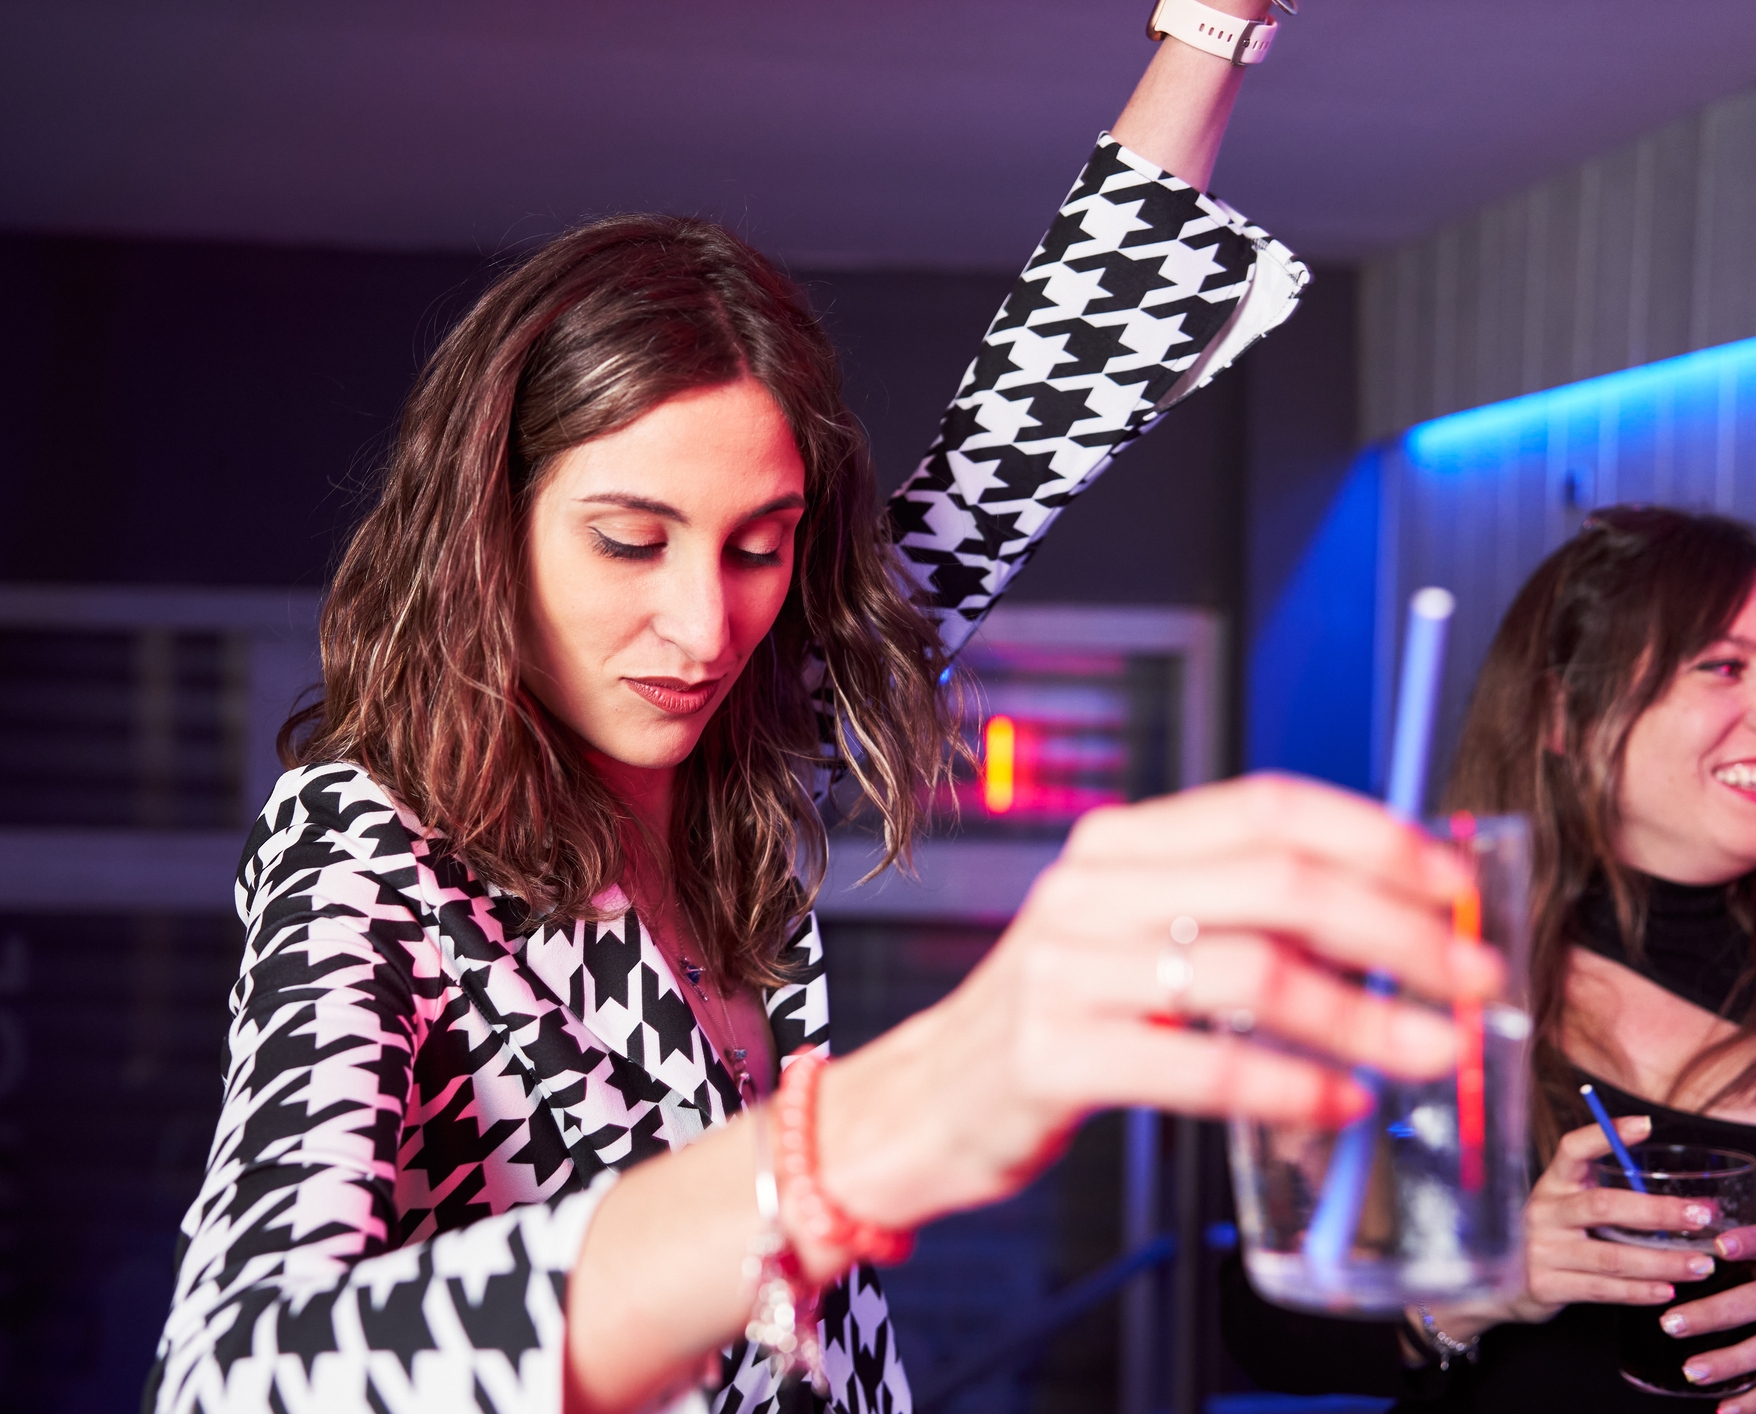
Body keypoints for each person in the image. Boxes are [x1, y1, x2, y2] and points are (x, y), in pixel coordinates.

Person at [148, 8, 1503, 1413]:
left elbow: (1026, 426)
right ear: (485, 531)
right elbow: (238, 1375)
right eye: (628, 538)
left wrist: (1212, 28)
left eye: (758, 543)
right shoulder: (373, 842)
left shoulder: (760, 754)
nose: (705, 626)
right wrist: (861, 1140)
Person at [1221, 508, 1756, 1414]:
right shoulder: (1436, 979)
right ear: (1563, 715)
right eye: (1721, 666)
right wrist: (1480, 1288)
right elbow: (1269, 1334)